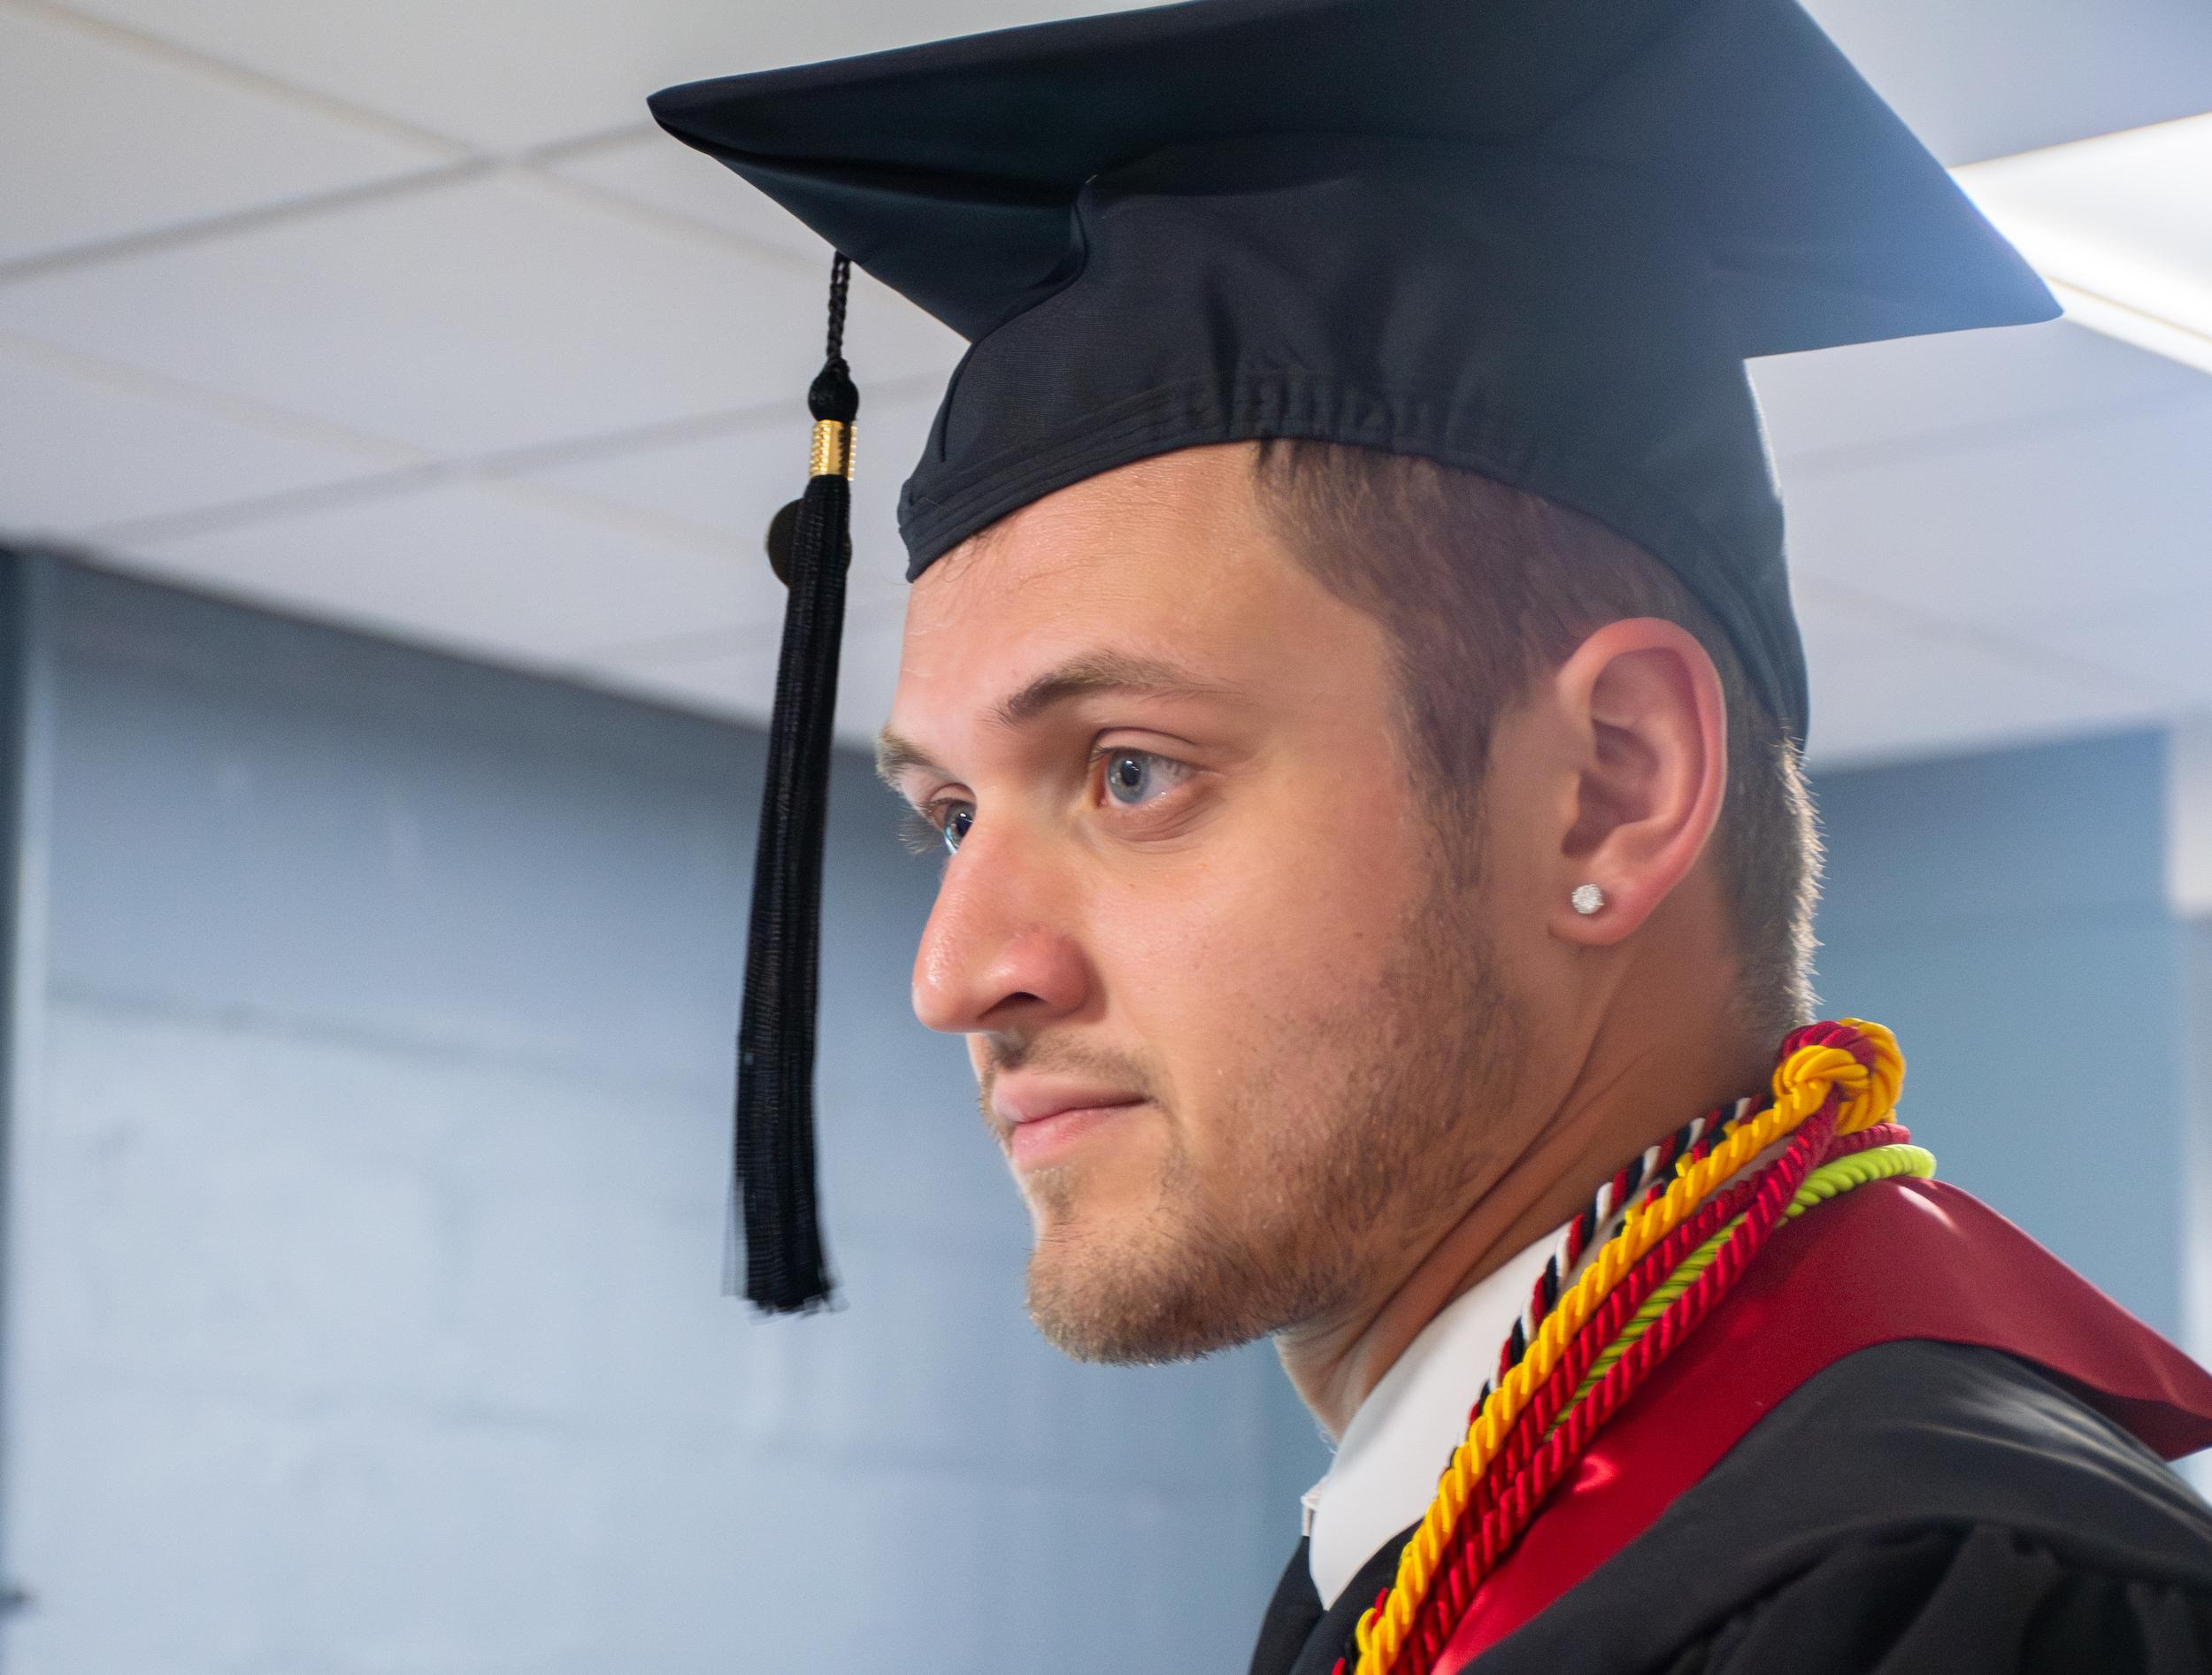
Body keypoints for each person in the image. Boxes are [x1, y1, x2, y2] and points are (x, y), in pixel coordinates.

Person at [649, 0, 2212, 1669]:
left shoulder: (1940, 1612)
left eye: (1130, 771)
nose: (958, 973)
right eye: (949, 812)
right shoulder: (1448, 1554)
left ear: (1611, 782)